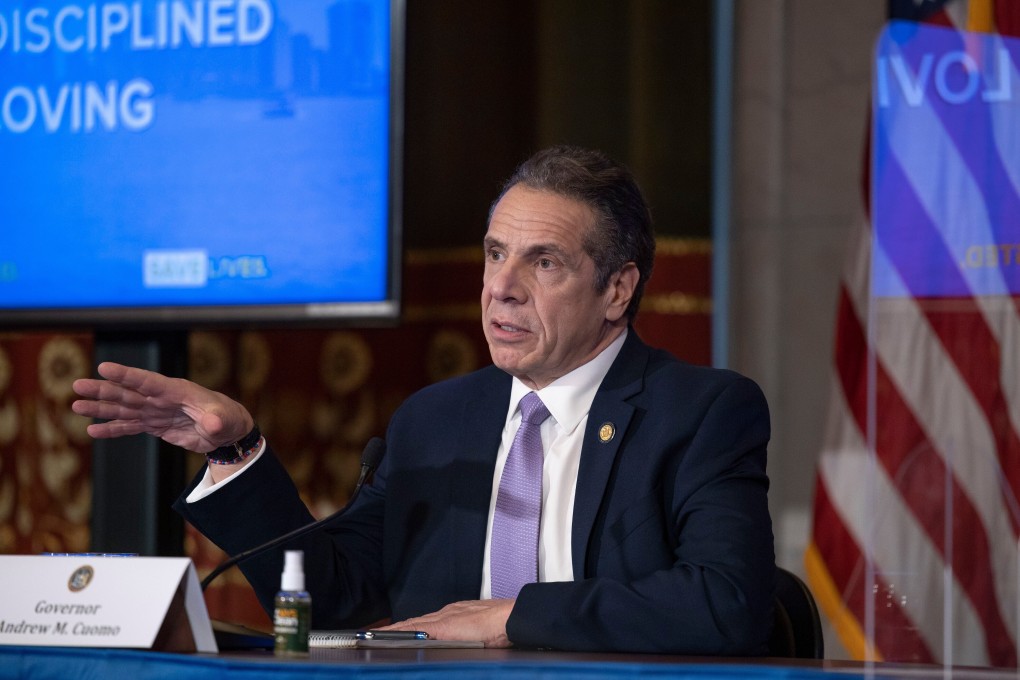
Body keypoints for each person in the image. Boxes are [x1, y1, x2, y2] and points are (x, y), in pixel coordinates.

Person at [72, 145, 775, 654]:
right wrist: (237, 449)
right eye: (496, 254)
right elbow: (333, 600)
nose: (502, 287)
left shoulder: (699, 413)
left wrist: (511, 617)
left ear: (618, 290)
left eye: (545, 262)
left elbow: (728, 603)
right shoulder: (437, 422)